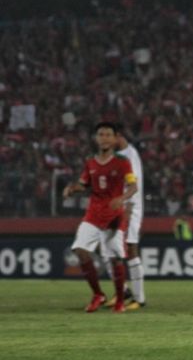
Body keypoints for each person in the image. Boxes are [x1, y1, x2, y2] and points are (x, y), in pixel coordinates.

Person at [63, 122, 137, 313]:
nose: (104, 138)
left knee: (115, 257)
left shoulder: (122, 162)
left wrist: (121, 198)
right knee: (80, 250)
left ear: (114, 139)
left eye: (108, 135)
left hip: (114, 215)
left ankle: (120, 300)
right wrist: (72, 189)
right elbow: (83, 184)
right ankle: (98, 294)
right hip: (94, 214)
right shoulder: (90, 162)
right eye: (101, 134)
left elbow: (133, 187)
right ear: (96, 138)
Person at [104, 123, 146, 310]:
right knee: (107, 248)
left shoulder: (130, 155)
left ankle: (139, 298)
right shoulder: (116, 156)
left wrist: (128, 210)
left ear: (118, 136)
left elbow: (132, 185)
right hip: (116, 207)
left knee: (130, 248)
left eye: (109, 137)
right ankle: (123, 290)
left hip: (130, 207)